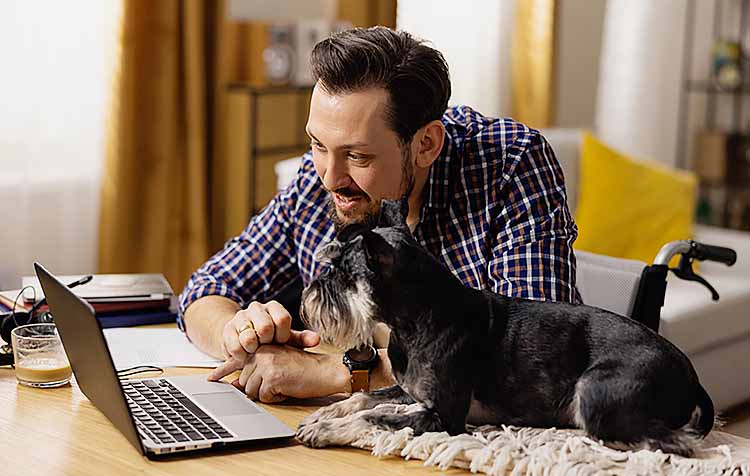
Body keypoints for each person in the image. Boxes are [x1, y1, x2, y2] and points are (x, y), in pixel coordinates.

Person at [178, 26, 581, 403]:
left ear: (425, 144)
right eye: (318, 144)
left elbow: (531, 355)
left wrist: (335, 372)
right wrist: (239, 335)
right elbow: (205, 289)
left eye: (358, 155)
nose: (330, 177)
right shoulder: (320, 176)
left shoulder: (510, 164)